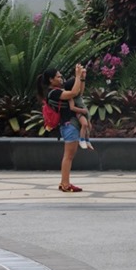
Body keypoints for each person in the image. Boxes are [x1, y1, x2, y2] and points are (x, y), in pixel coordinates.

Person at [36, 63, 88, 192]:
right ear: (51, 80)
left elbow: (78, 93)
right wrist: (76, 76)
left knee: (69, 155)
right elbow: (74, 92)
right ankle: (65, 184)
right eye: (58, 77)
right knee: (68, 156)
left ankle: (64, 183)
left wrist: (81, 78)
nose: (61, 79)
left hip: (70, 125)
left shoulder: (59, 91)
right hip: (68, 126)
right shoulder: (53, 93)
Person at [64, 76, 94, 150]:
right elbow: (72, 107)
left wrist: (83, 77)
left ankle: (87, 140)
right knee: (84, 124)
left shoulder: (78, 95)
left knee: (89, 127)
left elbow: (82, 86)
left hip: (85, 112)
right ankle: (82, 139)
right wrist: (81, 111)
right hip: (79, 113)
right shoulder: (71, 97)